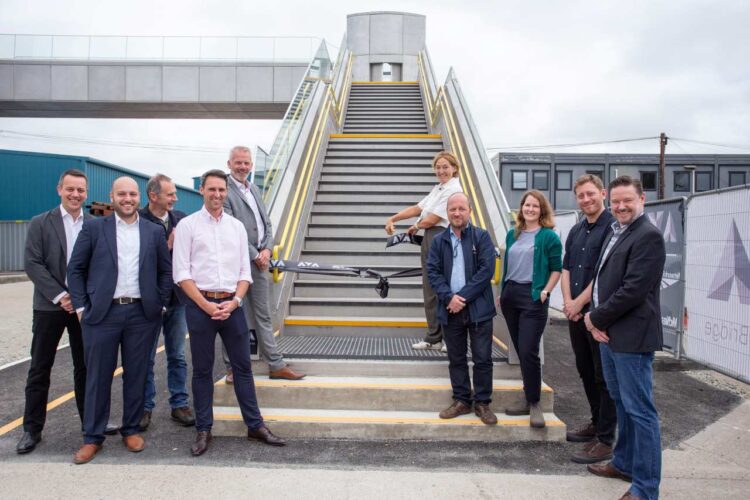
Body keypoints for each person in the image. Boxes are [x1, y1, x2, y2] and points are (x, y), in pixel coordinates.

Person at [173, 169, 285, 457]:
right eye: (211, 190)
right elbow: (181, 273)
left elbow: (244, 272)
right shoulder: (187, 226)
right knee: (202, 371)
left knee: (243, 368)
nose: (217, 195)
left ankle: (255, 425)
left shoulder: (235, 227)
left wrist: (235, 301)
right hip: (201, 308)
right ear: (202, 190)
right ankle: (204, 429)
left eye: (221, 190)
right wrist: (206, 305)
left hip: (233, 307)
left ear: (226, 192)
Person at [67, 176, 172, 464]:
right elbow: (75, 270)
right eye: (122, 194)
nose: (128, 199)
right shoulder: (93, 228)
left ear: (140, 197)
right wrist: (80, 308)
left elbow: (166, 271)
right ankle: (92, 437)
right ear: (112, 197)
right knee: (97, 377)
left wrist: (160, 302)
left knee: (137, 374)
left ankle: (131, 429)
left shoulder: (153, 231)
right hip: (102, 315)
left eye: (132, 194)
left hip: (142, 314)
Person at [584, 176, 665, 500]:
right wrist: (596, 320)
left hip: (630, 338)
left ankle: (645, 489)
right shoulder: (618, 232)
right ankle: (624, 463)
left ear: (642, 199)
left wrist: (593, 318)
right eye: (616, 201)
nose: (620, 206)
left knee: (641, 412)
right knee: (622, 404)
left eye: (627, 201)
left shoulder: (648, 236)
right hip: (609, 335)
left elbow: (633, 290)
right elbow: (603, 281)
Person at [17, 169, 92, 454]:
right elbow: (33, 264)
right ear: (59, 189)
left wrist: (81, 298)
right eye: (70, 189)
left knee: (86, 367)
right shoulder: (40, 223)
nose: (75, 195)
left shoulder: (94, 224)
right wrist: (62, 296)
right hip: (49, 306)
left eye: (80, 190)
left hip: (83, 308)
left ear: (86, 193)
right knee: (40, 367)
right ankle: (32, 429)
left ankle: (91, 424)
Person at [220, 146, 304, 382]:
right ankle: (232, 368)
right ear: (229, 163)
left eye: (246, 163)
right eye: (238, 163)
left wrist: (266, 248)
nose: (243, 167)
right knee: (233, 315)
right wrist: (256, 254)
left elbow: (266, 223)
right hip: (235, 264)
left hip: (259, 262)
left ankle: (275, 365)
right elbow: (229, 229)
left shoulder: (254, 188)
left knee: (263, 315)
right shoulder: (224, 191)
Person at [560, 174, 617, 464]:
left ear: (602, 193)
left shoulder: (613, 228)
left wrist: (580, 303)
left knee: (603, 375)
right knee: (584, 370)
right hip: (576, 314)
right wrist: (569, 303)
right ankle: (596, 421)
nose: (586, 199)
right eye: (581, 195)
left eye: (590, 194)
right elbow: (567, 268)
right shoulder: (576, 230)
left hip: (598, 315)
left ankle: (606, 439)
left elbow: (602, 273)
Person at [427, 193, 497, 424]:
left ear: (470, 211)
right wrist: (449, 298)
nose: (457, 213)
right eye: (452, 209)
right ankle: (461, 400)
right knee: (456, 358)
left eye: (461, 209)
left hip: (478, 310)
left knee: (483, 358)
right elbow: (433, 273)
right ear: (447, 213)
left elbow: (486, 272)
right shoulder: (438, 241)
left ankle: (483, 403)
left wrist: (461, 298)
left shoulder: (481, 237)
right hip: (450, 310)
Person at [385, 151, 463, 352]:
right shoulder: (438, 188)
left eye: (445, 167)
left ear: (454, 168)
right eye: (438, 167)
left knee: (444, 288)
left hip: (442, 236)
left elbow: (434, 218)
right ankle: (433, 337)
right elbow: (418, 208)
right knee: (429, 289)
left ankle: (449, 338)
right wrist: (393, 219)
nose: (441, 171)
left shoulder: (453, 190)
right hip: (430, 237)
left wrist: (417, 226)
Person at [499, 190, 561, 428]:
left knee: (528, 350)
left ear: (542, 210)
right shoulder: (512, 234)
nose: (530, 209)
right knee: (520, 348)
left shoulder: (548, 237)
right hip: (511, 296)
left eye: (535, 206)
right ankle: (528, 397)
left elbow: (557, 268)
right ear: (521, 208)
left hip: (534, 296)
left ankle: (535, 403)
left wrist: (546, 291)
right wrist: (503, 291)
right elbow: (507, 264)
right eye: (527, 205)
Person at [138, 174, 195, 431]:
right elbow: (135, 258)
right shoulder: (137, 220)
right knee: (145, 358)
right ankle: (144, 408)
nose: (175, 198)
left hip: (177, 299)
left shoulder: (181, 219)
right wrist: (166, 245)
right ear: (153, 196)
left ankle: (179, 404)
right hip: (148, 301)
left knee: (178, 355)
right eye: (170, 194)